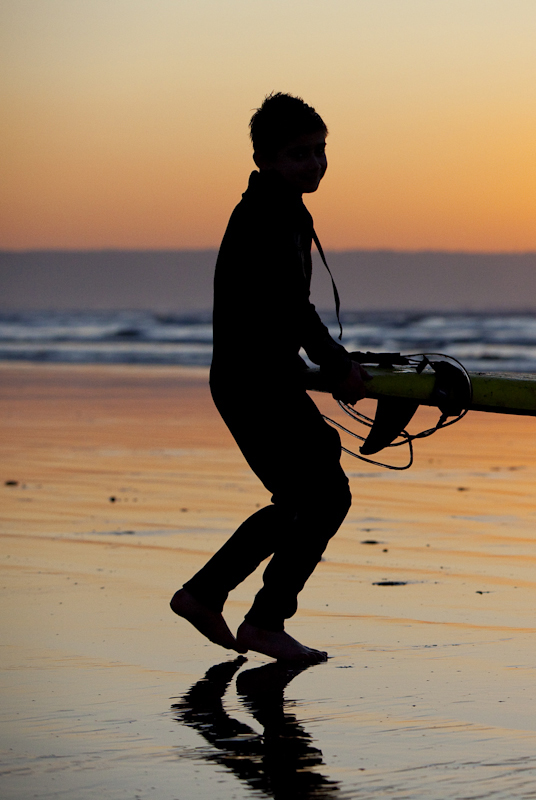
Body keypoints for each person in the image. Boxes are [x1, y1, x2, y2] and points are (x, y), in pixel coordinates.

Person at [171, 93, 371, 662]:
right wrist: (336, 364)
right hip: (252, 383)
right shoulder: (267, 214)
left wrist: (310, 363)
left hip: (259, 377)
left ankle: (215, 598)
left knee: (311, 498)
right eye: (298, 154)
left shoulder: (280, 207)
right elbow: (289, 306)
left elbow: (271, 309)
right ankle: (251, 616)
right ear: (264, 159)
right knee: (318, 498)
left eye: (320, 150)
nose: (315, 163)